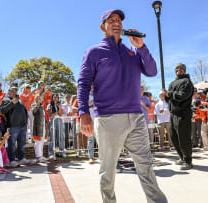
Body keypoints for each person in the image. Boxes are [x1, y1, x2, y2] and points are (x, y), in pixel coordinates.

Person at [78, 9, 167, 203]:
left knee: (146, 166)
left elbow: (152, 71)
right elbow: (83, 83)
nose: (117, 23)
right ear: (103, 27)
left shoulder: (132, 52)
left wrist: (141, 47)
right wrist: (83, 112)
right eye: (111, 20)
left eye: (119, 20)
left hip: (136, 117)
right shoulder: (94, 52)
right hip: (108, 118)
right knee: (107, 171)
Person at [163, 63, 194, 170]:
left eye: (181, 69)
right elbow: (170, 99)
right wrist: (166, 96)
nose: (178, 70)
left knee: (183, 137)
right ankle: (182, 157)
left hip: (183, 113)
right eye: (177, 68)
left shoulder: (187, 82)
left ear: (184, 70)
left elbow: (183, 95)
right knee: (173, 136)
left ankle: (188, 161)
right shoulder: (172, 83)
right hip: (173, 113)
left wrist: (170, 94)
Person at [0, 87, 29, 167]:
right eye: (12, 91)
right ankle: (11, 159)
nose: (14, 92)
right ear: (8, 92)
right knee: (11, 144)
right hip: (13, 126)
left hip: (22, 126)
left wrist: (25, 122)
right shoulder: (6, 100)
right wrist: (12, 103)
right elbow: (3, 110)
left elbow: (25, 111)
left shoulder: (20, 101)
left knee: (21, 143)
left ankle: (21, 158)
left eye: (15, 91)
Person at [47, 94, 66, 158]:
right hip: (52, 121)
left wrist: (59, 107)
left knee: (60, 136)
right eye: (54, 97)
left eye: (57, 97)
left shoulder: (60, 105)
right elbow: (50, 115)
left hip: (59, 120)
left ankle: (62, 152)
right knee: (52, 137)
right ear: (52, 98)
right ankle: (51, 153)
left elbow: (60, 114)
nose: (56, 98)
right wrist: (57, 112)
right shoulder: (49, 105)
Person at [31, 95, 48, 163]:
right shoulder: (34, 105)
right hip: (37, 127)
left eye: (41, 98)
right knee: (38, 142)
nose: (40, 99)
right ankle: (38, 156)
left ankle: (41, 155)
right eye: (39, 98)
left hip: (42, 126)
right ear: (36, 99)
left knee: (42, 142)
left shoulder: (42, 107)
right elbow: (34, 111)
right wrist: (38, 103)